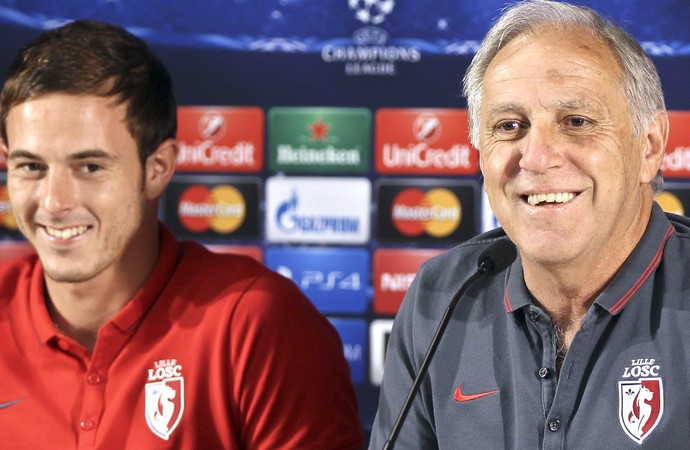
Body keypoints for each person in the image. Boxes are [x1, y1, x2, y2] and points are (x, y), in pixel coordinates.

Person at [0, 20, 363, 449]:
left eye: (90, 167)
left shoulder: (257, 324)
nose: (53, 202)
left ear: (159, 168)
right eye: (31, 167)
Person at [369, 0, 690, 448]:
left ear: (650, 147)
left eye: (576, 121)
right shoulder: (440, 296)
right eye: (509, 125)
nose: (536, 157)